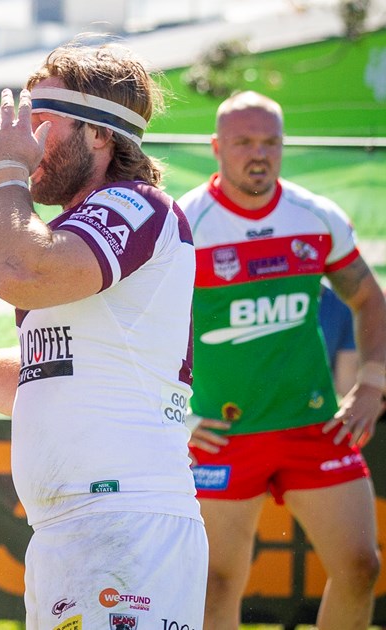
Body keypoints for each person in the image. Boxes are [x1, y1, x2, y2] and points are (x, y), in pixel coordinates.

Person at [0, 41, 207, 630]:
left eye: (41, 117)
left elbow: (18, 270)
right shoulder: (70, 233)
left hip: (125, 521)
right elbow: (41, 382)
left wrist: (5, 170)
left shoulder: (136, 204)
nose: (24, 134)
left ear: (101, 134)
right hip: (70, 529)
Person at [178, 90, 384, 630]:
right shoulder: (184, 223)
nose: (259, 154)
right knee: (216, 585)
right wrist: (177, 416)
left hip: (312, 427)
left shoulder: (315, 216)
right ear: (216, 147)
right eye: (244, 142)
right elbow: (138, 327)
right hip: (221, 434)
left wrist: (372, 384)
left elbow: (369, 298)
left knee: (361, 568)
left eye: (271, 142)